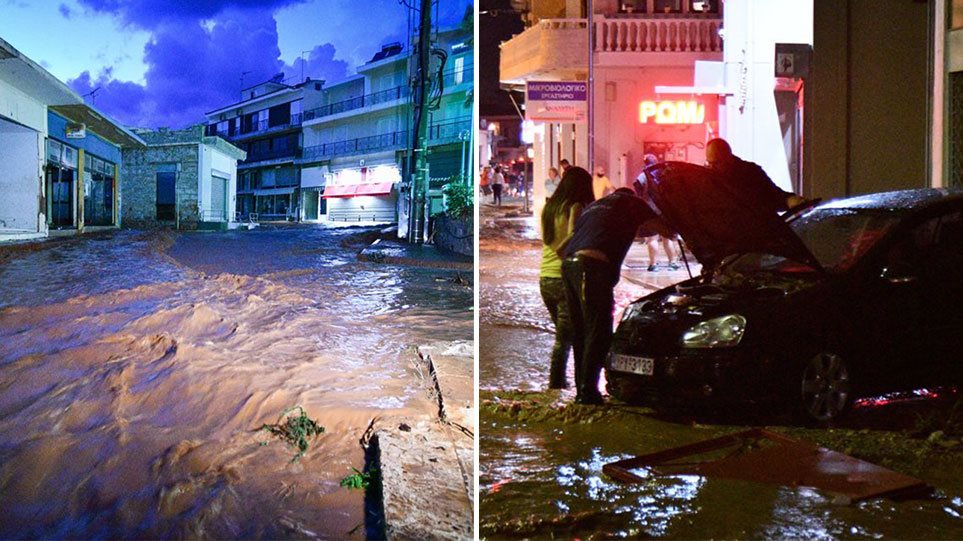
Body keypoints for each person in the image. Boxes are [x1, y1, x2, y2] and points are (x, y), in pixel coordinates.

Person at [560, 186, 671, 404]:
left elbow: (561, 249)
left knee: (581, 331)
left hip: (568, 266)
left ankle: (583, 391)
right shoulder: (632, 203)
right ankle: (587, 393)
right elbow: (668, 231)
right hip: (592, 268)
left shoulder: (594, 207)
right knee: (599, 331)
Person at [539, 167, 595, 389]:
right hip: (564, 279)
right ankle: (557, 385)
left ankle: (561, 383)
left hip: (545, 278)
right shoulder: (576, 206)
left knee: (566, 334)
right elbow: (575, 235)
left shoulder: (549, 208)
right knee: (565, 338)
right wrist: (563, 250)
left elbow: (545, 238)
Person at [705, 138, 806, 212]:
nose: (711, 168)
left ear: (728, 158)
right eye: (709, 163)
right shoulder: (706, 179)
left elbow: (773, 195)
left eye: (716, 163)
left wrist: (789, 200)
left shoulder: (750, 173)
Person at [636, 154, 679, 272]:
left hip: (649, 210)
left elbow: (637, 187)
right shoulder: (663, 173)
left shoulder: (643, 175)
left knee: (652, 239)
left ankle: (654, 264)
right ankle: (673, 262)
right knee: (667, 238)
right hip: (665, 211)